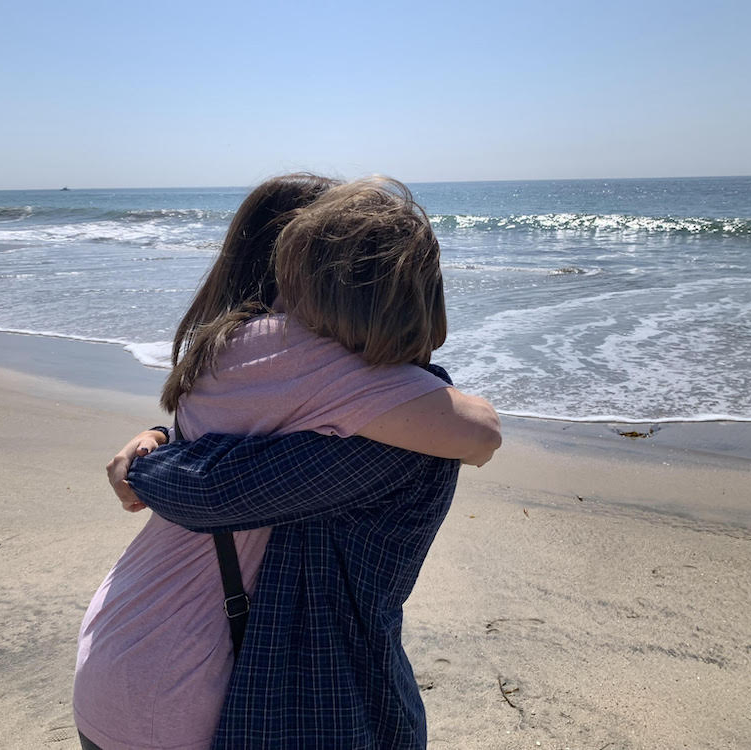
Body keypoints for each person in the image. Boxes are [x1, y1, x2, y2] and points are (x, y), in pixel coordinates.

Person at [75, 177, 501, 750]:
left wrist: (155, 449)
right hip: (184, 687)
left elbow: (216, 461)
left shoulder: (225, 346)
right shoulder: (323, 364)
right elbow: (479, 434)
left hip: (121, 642)